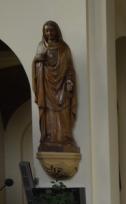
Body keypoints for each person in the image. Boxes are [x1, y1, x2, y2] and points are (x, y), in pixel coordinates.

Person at [32, 20, 78, 152]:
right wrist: (38, 60)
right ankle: (49, 137)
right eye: (46, 30)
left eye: (51, 30)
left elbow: (69, 68)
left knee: (63, 110)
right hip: (45, 86)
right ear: (44, 33)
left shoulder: (64, 48)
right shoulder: (41, 46)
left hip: (62, 85)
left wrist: (69, 81)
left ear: (56, 31)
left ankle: (65, 138)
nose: (49, 33)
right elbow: (36, 62)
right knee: (49, 113)